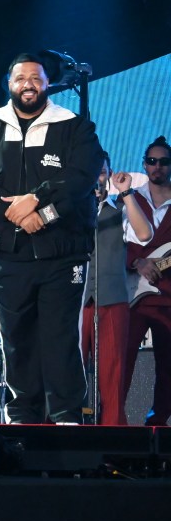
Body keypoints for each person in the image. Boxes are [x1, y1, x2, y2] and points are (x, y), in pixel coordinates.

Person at [0, 52, 104, 425]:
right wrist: (16, 217)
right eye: (20, 78)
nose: (28, 84)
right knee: (16, 339)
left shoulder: (74, 126)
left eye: (36, 78)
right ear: (9, 84)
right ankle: (21, 417)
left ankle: (67, 416)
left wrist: (36, 203)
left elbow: (80, 179)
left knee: (60, 338)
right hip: (8, 253)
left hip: (63, 252)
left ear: (47, 84)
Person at [82, 156, 149, 426]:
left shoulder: (119, 209)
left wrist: (127, 193)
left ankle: (111, 441)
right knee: (68, 373)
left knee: (112, 376)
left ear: (108, 175)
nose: (97, 178)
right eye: (91, 172)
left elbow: (144, 234)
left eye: (101, 172)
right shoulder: (70, 211)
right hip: (76, 302)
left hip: (111, 301)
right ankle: (65, 437)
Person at [121, 136, 171, 425]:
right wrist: (138, 261)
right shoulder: (131, 198)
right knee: (122, 361)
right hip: (132, 297)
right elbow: (113, 242)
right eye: (152, 161)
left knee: (168, 368)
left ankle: (158, 425)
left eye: (164, 162)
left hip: (167, 298)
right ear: (144, 164)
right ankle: (112, 421)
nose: (157, 167)